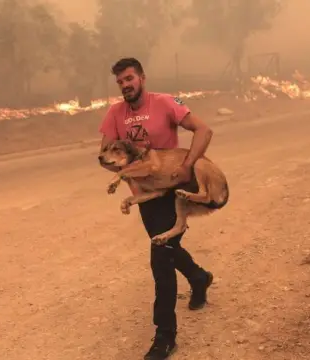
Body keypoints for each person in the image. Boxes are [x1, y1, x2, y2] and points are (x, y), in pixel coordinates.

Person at [98, 57, 215, 360]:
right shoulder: (115, 114)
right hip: (146, 196)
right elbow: (107, 157)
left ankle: (165, 336)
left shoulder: (165, 103)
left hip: (172, 189)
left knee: (160, 260)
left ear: (142, 78)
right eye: (120, 82)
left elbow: (203, 130)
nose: (125, 85)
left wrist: (188, 166)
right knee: (167, 247)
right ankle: (199, 277)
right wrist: (133, 189)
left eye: (129, 79)